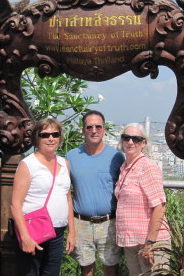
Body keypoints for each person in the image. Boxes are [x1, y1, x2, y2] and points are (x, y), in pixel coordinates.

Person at [11, 117, 75, 276]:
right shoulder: (28, 164)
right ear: (37, 139)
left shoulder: (63, 163)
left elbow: (67, 198)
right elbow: (15, 204)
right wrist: (25, 237)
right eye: (45, 135)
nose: (51, 138)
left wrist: (72, 231)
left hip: (57, 232)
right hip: (33, 230)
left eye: (55, 134)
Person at [67, 110, 125, 276]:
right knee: (86, 269)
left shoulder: (116, 156)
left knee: (111, 268)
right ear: (83, 130)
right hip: (81, 223)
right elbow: (65, 192)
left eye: (98, 127)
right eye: (89, 127)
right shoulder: (72, 157)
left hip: (109, 223)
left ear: (104, 129)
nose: (94, 130)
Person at [115, 123, 171, 276]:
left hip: (149, 242)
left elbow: (159, 206)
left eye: (136, 139)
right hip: (132, 242)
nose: (130, 142)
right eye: (126, 138)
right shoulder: (124, 167)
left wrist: (150, 243)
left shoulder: (148, 167)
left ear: (144, 143)